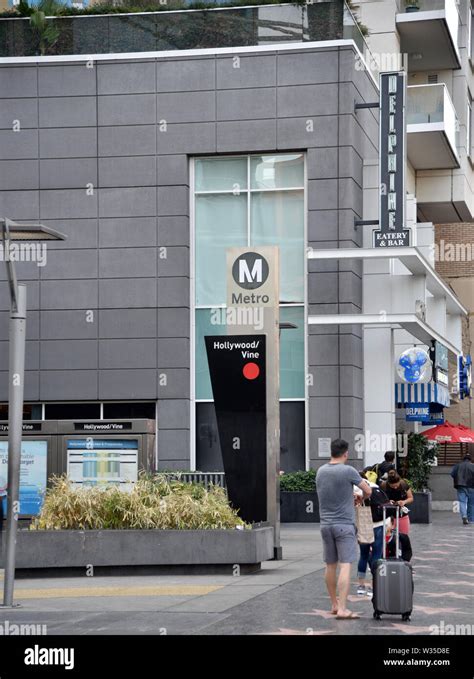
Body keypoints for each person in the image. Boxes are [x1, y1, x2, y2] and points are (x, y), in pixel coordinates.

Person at [316, 438, 372, 620]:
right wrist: (360, 498)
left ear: (331, 452)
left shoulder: (321, 471)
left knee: (330, 565)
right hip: (344, 525)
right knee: (346, 565)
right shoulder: (348, 470)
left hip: (325, 525)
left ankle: (333, 604)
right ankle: (342, 608)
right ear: (346, 453)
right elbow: (368, 490)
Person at [355, 473, 390, 597]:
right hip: (379, 524)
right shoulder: (374, 486)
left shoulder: (354, 487)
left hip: (364, 524)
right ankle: (373, 586)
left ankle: (361, 585)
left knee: (363, 555)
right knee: (376, 555)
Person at [380, 470, 413, 535]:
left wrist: (404, 501)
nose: (395, 487)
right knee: (387, 536)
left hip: (402, 514)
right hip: (387, 516)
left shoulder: (403, 484)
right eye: (392, 486)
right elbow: (379, 500)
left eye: (397, 486)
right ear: (388, 483)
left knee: (404, 536)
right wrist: (387, 502)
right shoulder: (383, 486)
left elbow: (411, 498)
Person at [450, 453, 474, 525]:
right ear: (470, 459)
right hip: (472, 487)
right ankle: (471, 519)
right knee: (471, 504)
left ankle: (464, 516)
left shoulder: (457, 466)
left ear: (463, 459)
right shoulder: (473, 466)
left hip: (460, 486)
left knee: (462, 502)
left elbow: (452, 474)